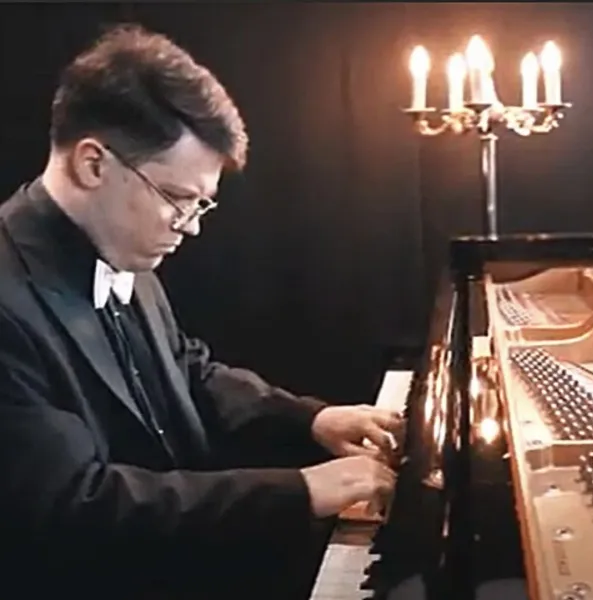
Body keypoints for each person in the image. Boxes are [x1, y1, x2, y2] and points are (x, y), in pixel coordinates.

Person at [0, 23, 400, 600]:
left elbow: (186, 370)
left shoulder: (118, 242)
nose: (188, 226)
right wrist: (300, 491)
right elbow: (75, 503)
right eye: (177, 200)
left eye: (200, 204)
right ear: (93, 164)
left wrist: (310, 418)